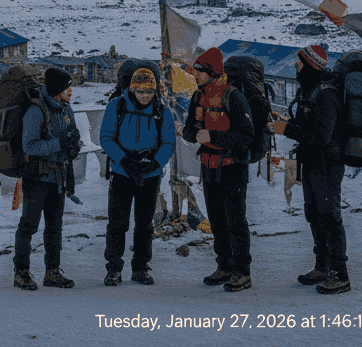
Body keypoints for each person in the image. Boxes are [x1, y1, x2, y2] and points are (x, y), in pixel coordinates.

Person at [268, 44, 350, 294]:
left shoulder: (326, 95)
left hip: (327, 163)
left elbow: (321, 136)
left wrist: (286, 130)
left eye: (300, 62)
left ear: (311, 65)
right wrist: (285, 123)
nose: (296, 65)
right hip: (310, 162)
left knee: (330, 217)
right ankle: (322, 266)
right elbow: (307, 127)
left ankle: (340, 274)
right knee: (313, 214)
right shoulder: (310, 91)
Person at [182, 47, 255, 292]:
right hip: (208, 166)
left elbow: (246, 134)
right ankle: (224, 265)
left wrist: (212, 136)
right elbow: (188, 129)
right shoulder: (198, 96)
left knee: (235, 221)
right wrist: (194, 135)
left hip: (232, 167)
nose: (196, 75)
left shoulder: (233, 96)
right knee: (216, 220)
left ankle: (242, 272)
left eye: (200, 71)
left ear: (212, 73)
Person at [99, 64, 176, 286]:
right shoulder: (117, 106)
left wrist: (155, 164)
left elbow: (168, 142)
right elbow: (106, 137)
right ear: (132, 89)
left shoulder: (162, 111)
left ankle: (140, 268)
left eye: (149, 91)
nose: (145, 96)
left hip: (150, 174)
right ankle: (114, 268)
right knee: (117, 223)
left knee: (144, 223)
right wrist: (123, 161)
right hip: (122, 172)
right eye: (141, 91)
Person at [13, 66, 82, 291]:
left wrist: (74, 145)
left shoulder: (66, 109)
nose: (70, 91)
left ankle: (52, 272)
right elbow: (29, 145)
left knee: (54, 227)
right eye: (66, 88)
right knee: (29, 226)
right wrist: (59, 144)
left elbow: (74, 134)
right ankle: (21, 272)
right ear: (55, 91)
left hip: (59, 175)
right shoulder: (36, 111)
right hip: (37, 176)